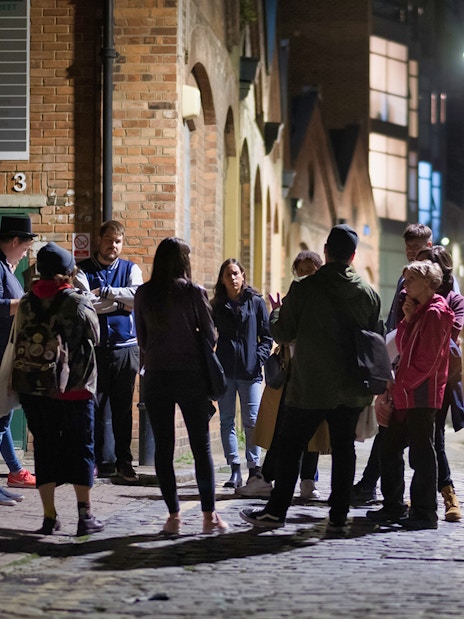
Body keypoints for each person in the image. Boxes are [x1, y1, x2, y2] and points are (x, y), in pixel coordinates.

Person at [240, 224, 384, 532]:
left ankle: (277, 511)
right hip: (351, 388)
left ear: (326, 252)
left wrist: (276, 313)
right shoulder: (368, 294)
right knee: (345, 450)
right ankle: (338, 514)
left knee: (290, 446)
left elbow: (282, 332)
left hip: (310, 387)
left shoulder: (305, 289)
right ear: (353, 256)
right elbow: (376, 337)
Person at [134, 237, 228, 534]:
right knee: (201, 447)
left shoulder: (144, 294)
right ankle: (209, 517)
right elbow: (211, 337)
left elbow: (142, 339)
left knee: (164, 448)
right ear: (183, 262)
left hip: (158, 375)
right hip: (191, 376)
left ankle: (174, 517)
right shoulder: (193, 292)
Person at [13, 242, 103, 536]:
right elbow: (96, 336)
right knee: (82, 449)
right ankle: (84, 515)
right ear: (67, 273)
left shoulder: (27, 302)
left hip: (36, 388)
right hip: (74, 388)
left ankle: (49, 517)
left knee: (46, 448)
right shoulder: (76, 301)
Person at [367, 260, 454, 530]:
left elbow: (427, 362)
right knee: (390, 447)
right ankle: (394, 505)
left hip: (422, 395)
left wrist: (399, 386)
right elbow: (403, 347)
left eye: (412, 279)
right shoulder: (420, 311)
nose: (406, 285)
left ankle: (425, 512)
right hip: (408, 393)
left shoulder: (436, 313)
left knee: (421, 453)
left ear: (428, 283)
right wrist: (406, 318)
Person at [352, 223, 433, 504]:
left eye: (417, 248)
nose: (411, 253)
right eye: (408, 248)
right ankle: (383, 492)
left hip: (417, 372)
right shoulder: (406, 278)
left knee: (422, 442)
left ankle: (432, 500)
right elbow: (395, 321)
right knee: (392, 431)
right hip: (399, 362)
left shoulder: (436, 283)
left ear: (429, 246)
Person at [236, 249, 324, 500]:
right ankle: (290, 480)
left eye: (311, 270)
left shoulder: (310, 299)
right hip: (295, 375)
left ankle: (303, 481)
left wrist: (277, 314)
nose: (306, 274)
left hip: (311, 376)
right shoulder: (301, 298)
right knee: (288, 429)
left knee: (304, 431)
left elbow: (284, 331)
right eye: (302, 271)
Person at [75, 220, 143, 482]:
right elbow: (84, 305)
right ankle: (95, 462)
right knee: (95, 407)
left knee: (123, 409)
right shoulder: (82, 270)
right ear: (99, 240)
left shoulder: (130, 268)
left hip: (126, 349)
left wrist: (105, 292)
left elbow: (137, 298)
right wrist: (120, 303)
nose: (113, 245)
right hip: (95, 349)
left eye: (118, 241)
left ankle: (124, 462)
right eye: (109, 240)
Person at [211, 259, 273, 489]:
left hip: (250, 371)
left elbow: (267, 336)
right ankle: (234, 468)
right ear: (222, 279)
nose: (232, 278)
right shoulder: (216, 305)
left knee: (252, 421)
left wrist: (258, 358)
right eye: (228, 274)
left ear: (243, 276)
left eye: (236, 273)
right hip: (226, 370)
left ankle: (254, 468)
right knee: (227, 420)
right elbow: (208, 336)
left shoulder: (256, 303)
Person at [0, 216, 37, 506]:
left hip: (6, 354)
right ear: (14, 242)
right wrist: (25, 303)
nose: (25, 253)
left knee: (2, 420)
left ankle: (13, 472)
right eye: (25, 247)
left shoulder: (5, 267)